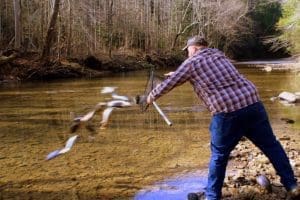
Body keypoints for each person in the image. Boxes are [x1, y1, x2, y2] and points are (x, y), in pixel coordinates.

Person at [146, 35, 299, 200]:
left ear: (194, 48)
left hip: (228, 113)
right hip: (253, 104)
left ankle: (212, 196)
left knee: (218, 156)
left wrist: (150, 97)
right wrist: (178, 73)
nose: (187, 54)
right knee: (271, 146)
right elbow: (208, 71)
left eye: (188, 50)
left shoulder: (191, 63)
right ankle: (291, 185)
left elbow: (170, 83)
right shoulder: (219, 55)